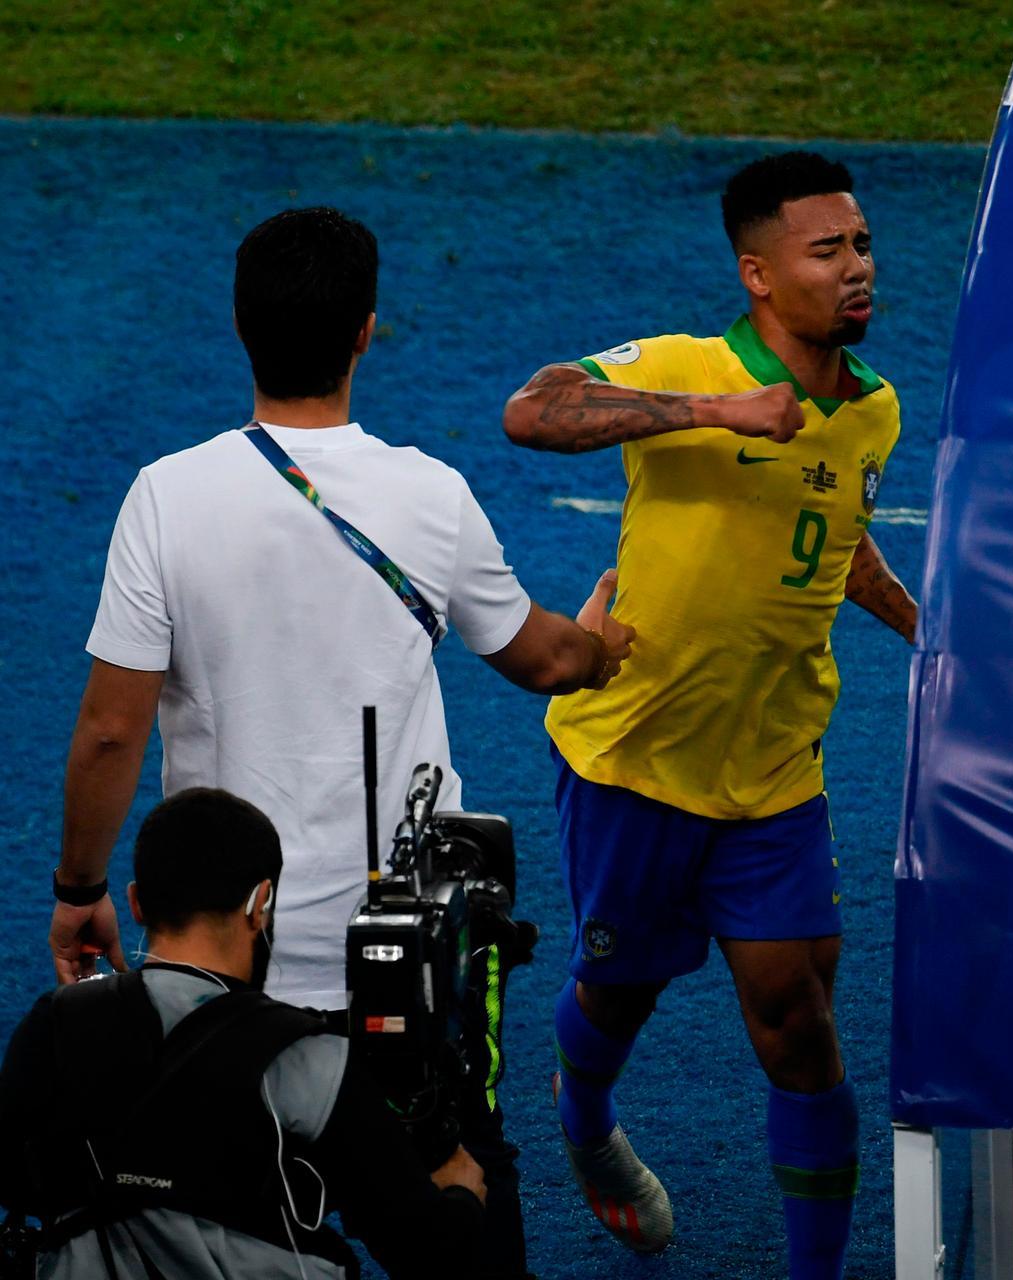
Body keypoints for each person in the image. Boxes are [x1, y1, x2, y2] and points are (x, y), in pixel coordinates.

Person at [50, 207, 633, 1280]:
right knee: (463, 1185)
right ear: (367, 331)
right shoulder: (432, 497)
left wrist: (80, 882)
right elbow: (543, 656)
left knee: (235, 1207)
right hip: (400, 965)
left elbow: (108, 729)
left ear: (241, 328)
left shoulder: (164, 500)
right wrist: (602, 645)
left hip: (227, 973)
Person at [500, 151, 918, 1276]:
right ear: (759, 274)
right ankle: (584, 1117)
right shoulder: (691, 363)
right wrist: (709, 411)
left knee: (798, 1012)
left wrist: (923, 623)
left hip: (777, 767)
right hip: (635, 762)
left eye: (863, 244)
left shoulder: (872, 408)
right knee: (619, 993)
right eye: (826, 250)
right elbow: (531, 410)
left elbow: (833, 531)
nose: (857, 268)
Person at [2, 788, 489, 1279]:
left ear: (136, 904)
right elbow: (426, 1248)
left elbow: (16, 1183)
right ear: (261, 903)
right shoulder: (311, 1061)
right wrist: (461, 1196)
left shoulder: (54, 1023)